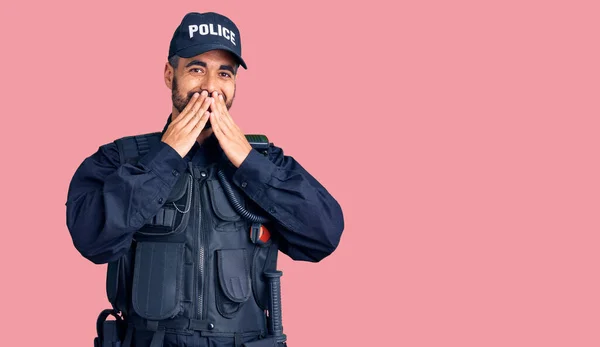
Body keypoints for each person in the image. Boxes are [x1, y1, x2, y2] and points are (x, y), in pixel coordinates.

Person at [65, 11, 344, 347]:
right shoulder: (121, 159)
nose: (211, 87)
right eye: (197, 69)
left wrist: (248, 163)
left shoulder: (267, 162)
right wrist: (165, 158)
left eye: (224, 73)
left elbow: (324, 236)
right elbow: (91, 238)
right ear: (170, 75)